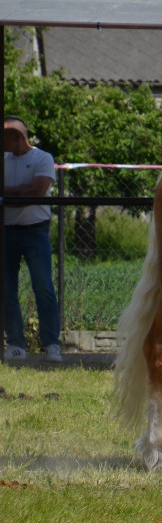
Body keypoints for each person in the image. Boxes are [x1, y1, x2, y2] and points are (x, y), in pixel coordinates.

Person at [3, 116, 62, 362]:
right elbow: (30, 191)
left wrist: (9, 194)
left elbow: (37, 193)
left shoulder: (43, 158)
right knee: (6, 290)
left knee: (43, 288)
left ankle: (52, 344)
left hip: (36, 231)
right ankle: (16, 344)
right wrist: (22, 191)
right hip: (6, 231)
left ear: (17, 136)